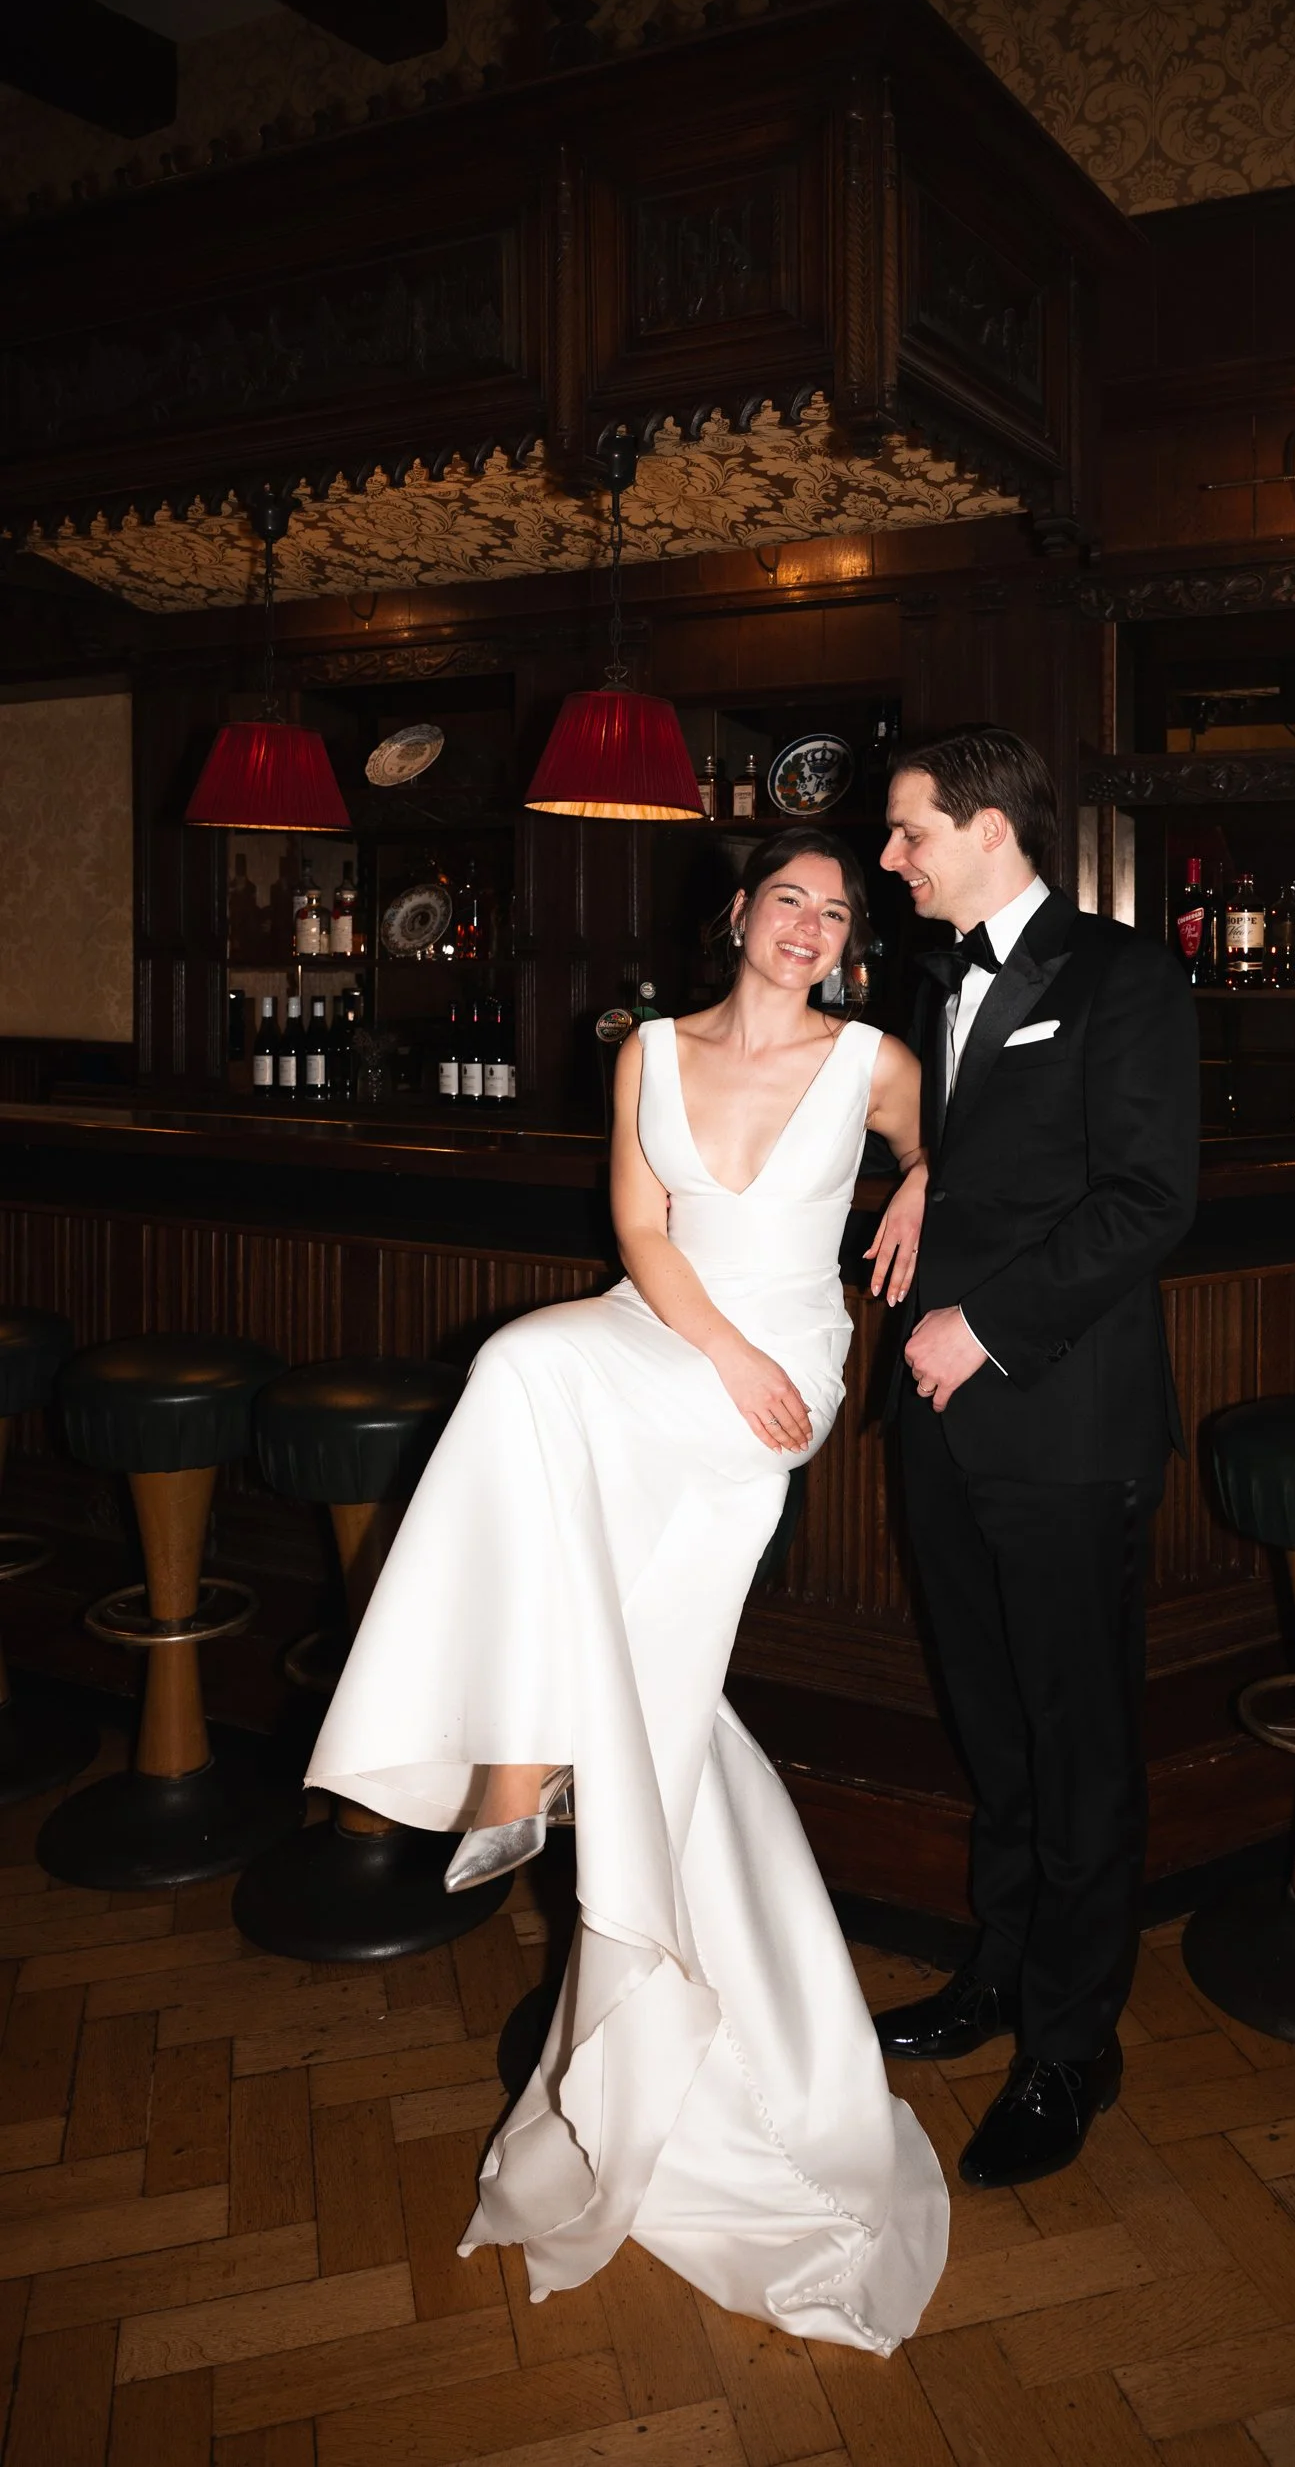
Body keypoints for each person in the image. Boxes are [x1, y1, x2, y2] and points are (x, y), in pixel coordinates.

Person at [306, 828, 948, 2354]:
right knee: (524, 1366)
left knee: (647, 1665)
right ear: (737, 914)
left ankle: (531, 1784)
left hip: (781, 1375)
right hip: (661, 1334)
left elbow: (955, 1147)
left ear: (850, 943)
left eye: (835, 912)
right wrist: (709, 1347)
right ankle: (530, 1771)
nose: (807, 924)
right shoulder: (649, 1050)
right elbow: (642, 1229)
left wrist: (922, 1181)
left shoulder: (871, 1060)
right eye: (786, 898)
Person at [875, 725, 1198, 2189]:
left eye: (908, 833)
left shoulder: (1121, 975)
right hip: (944, 1428)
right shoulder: (925, 976)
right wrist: (920, 1178)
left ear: (990, 829)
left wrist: (981, 1325)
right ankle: (998, 1974)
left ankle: (1073, 2046)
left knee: (1077, 1750)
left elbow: (1145, 1200)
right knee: (990, 1725)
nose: (892, 860)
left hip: (1060, 1419)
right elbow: (987, 1147)